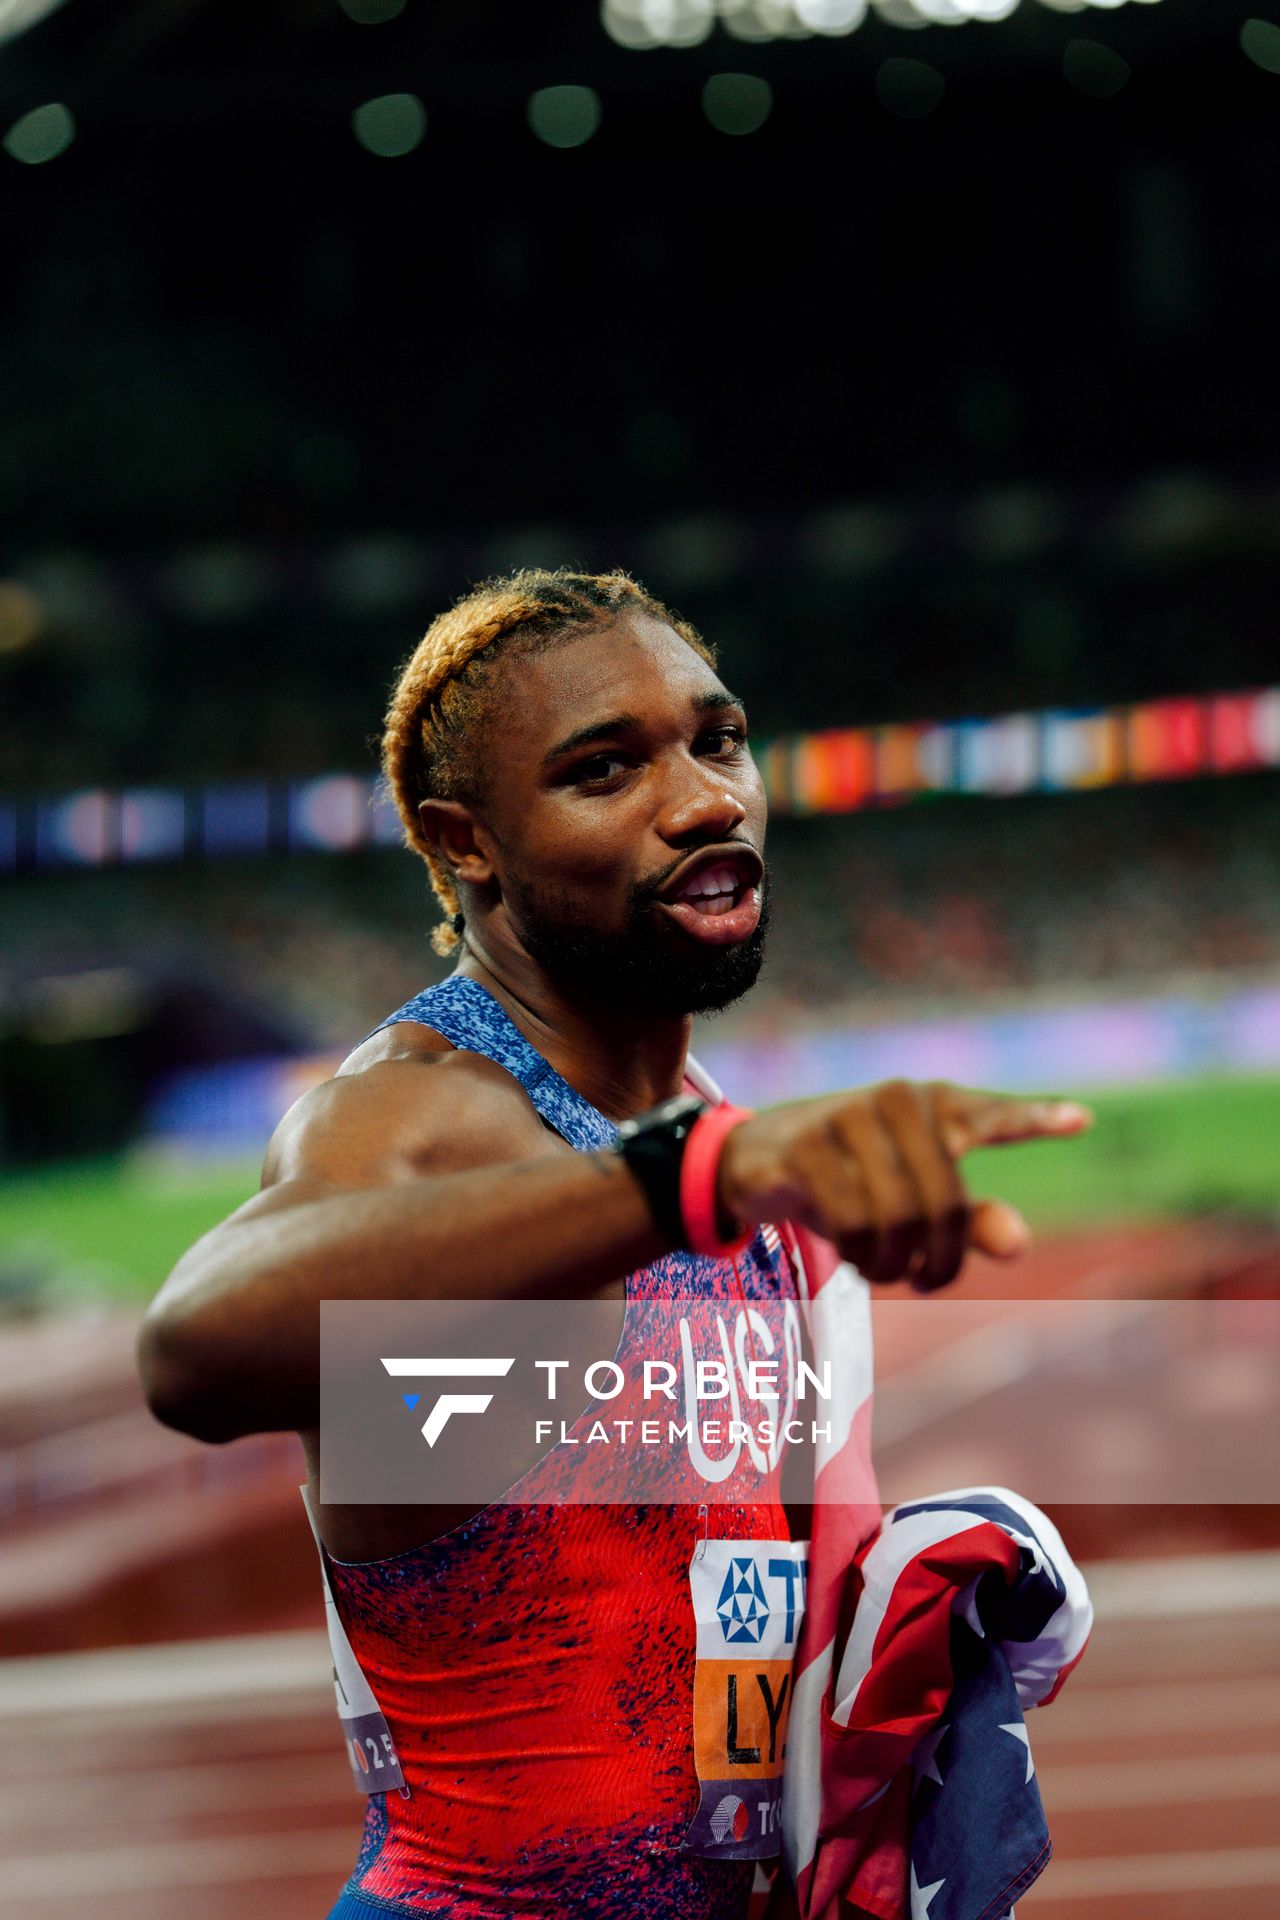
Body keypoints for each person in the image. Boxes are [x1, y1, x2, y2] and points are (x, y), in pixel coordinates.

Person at [138, 568, 1089, 1920]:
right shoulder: (434, 1118)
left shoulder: (720, 1148)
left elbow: (753, 1628)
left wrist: (912, 1645)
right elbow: (198, 1345)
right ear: (465, 840)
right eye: (604, 771)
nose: (706, 801)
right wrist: (694, 1178)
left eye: (718, 739)